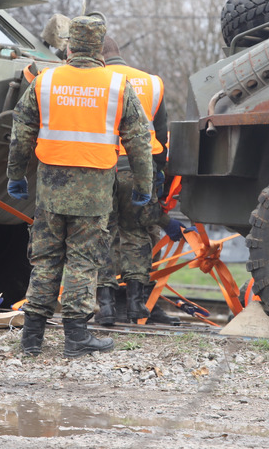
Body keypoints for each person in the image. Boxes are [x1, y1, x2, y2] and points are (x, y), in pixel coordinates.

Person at [7, 15, 153, 358]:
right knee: (82, 262)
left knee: (45, 260)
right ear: (100, 50)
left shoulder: (46, 81)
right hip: (94, 192)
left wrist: (15, 175)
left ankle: (31, 339)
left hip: (51, 190)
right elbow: (139, 140)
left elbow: (21, 130)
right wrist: (143, 184)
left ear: (69, 47)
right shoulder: (117, 86)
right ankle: (76, 338)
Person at [94, 35, 187, 325]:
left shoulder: (95, 79)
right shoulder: (152, 82)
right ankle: (137, 306)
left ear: (98, 55)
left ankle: (106, 308)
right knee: (137, 234)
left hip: (102, 166)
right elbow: (160, 135)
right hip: (139, 168)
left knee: (103, 234)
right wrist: (156, 179)